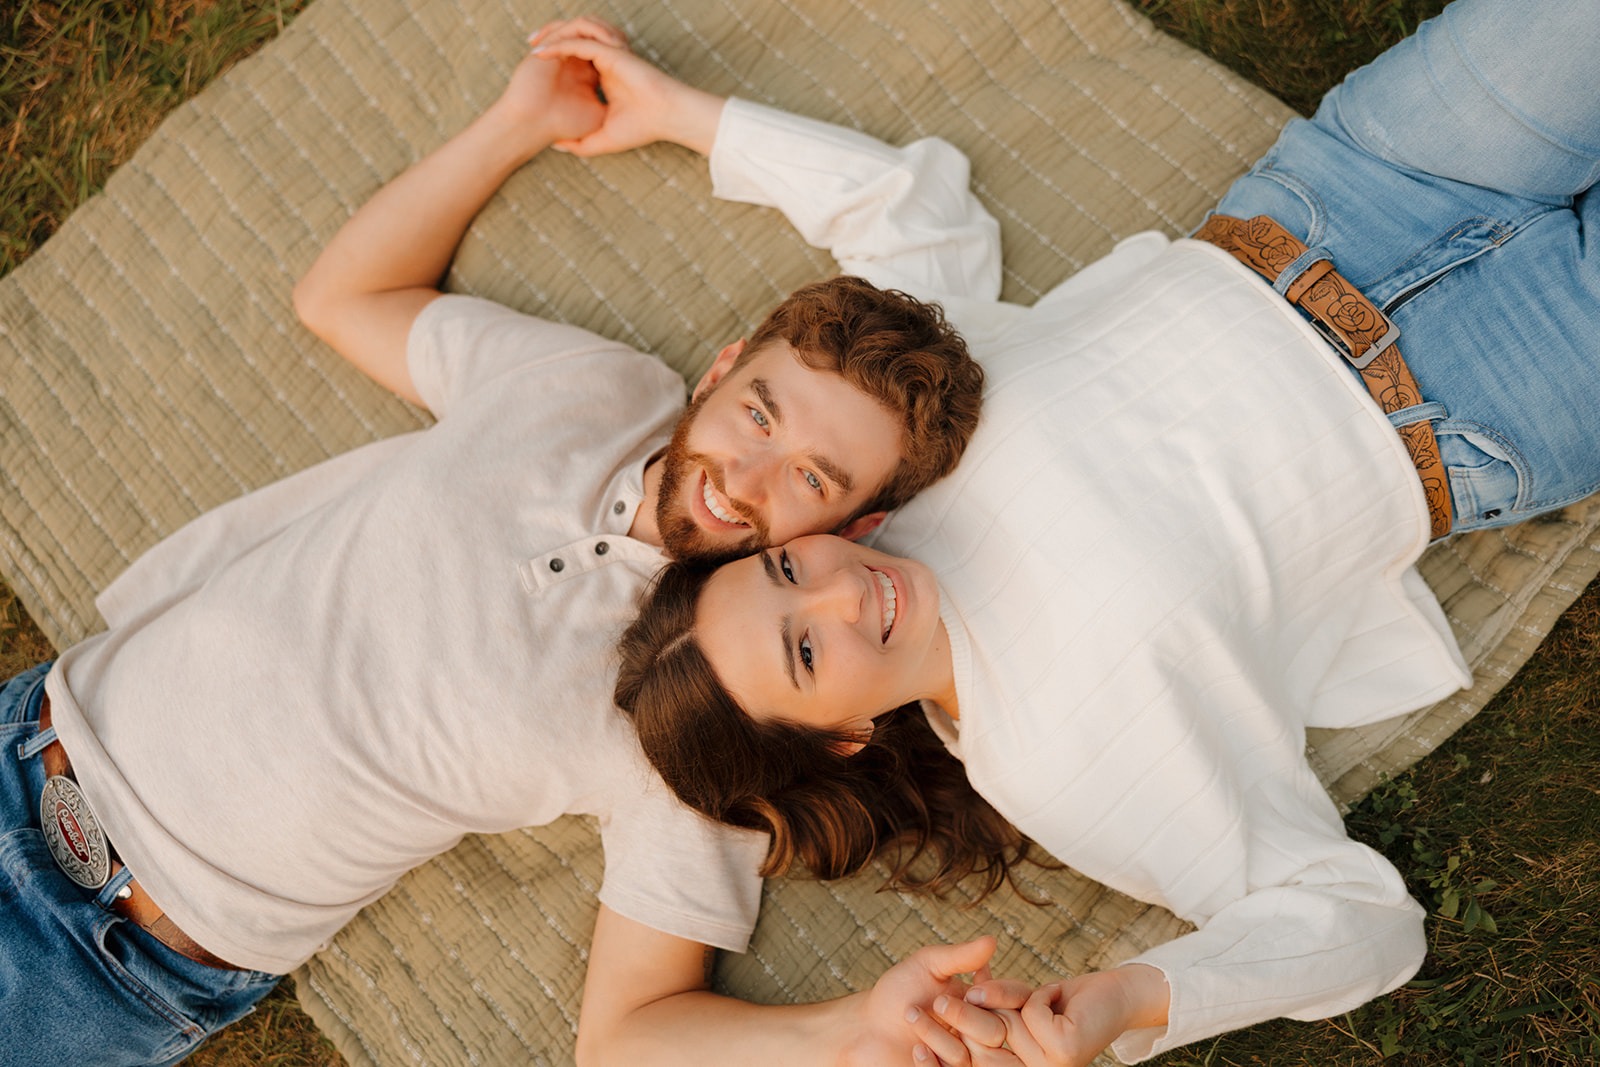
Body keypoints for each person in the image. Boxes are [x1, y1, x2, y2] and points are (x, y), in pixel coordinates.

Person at [613, 1, 1600, 1063]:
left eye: (788, 567)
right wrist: (1136, 996)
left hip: (1340, 190)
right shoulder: (1063, 767)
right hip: (1486, 397)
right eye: (805, 648)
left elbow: (908, 220)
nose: (845, 588)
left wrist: (685, 111)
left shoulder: (902, 472)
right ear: (842, 735)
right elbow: (1356, 915)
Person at [1, 18, 1001, 1064]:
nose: (742, 480)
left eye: (809, 479)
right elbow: (344, 296)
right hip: (37, 727)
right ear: (720, 370)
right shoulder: (594, 386)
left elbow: (626, 1038)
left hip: (109, 953)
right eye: (758, 414)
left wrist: (851, 1026)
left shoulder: (711, 711)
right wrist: (519, 122)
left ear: (857, 526)